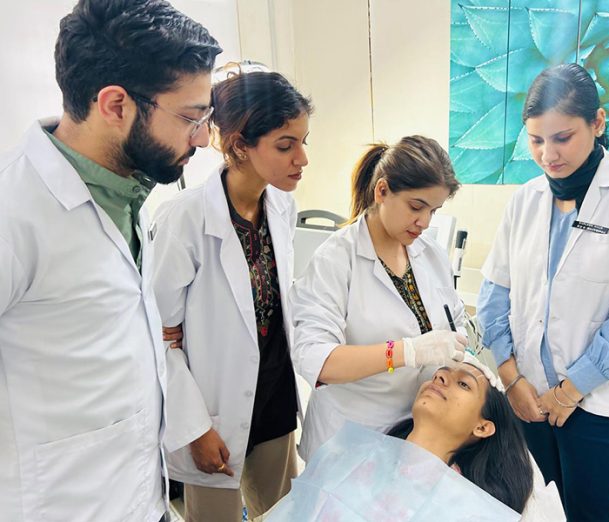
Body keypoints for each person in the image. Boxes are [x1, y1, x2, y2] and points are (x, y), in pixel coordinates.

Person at [0, 1, 221, 520]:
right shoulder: (14, 212)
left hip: (141, 498)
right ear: (116, 105)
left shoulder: (126, 193)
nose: (204, 137)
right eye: (192, 117)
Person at [477, 63, 609, 522]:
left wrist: (569, 392)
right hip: (527, 395)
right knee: (532, 508)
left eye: (562, 137)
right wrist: (511, 378)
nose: (547, 154)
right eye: (536, 140)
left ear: (597, 124)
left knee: (589, 514)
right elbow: (496, 293)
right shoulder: (525, 199)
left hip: (595, 403)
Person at [151, 64, 312, 522]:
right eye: (286, 145)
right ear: (239, 145)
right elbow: (161, 337)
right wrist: (193, 427)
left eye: (303, 142)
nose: (302, 159)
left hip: (276, 399)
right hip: (212, 414)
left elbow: (276, 304)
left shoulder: (282, 204)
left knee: (284, 513)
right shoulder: (183, 220)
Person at [289, 135, 469, 461]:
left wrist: (457, 348)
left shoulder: (430, 255)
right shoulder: (336, 258)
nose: (425, 223)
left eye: (434, 210)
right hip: (348, 439)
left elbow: (452, 316)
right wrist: (406, 351)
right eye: (416, 207)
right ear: (382, 191)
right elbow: (320, 361)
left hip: (411, 434)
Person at [263, 357, 565, 521]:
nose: (440, 378)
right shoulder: (348, 458)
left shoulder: (470, 508)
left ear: (483, 427)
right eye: (440, 374)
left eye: (463, 383)